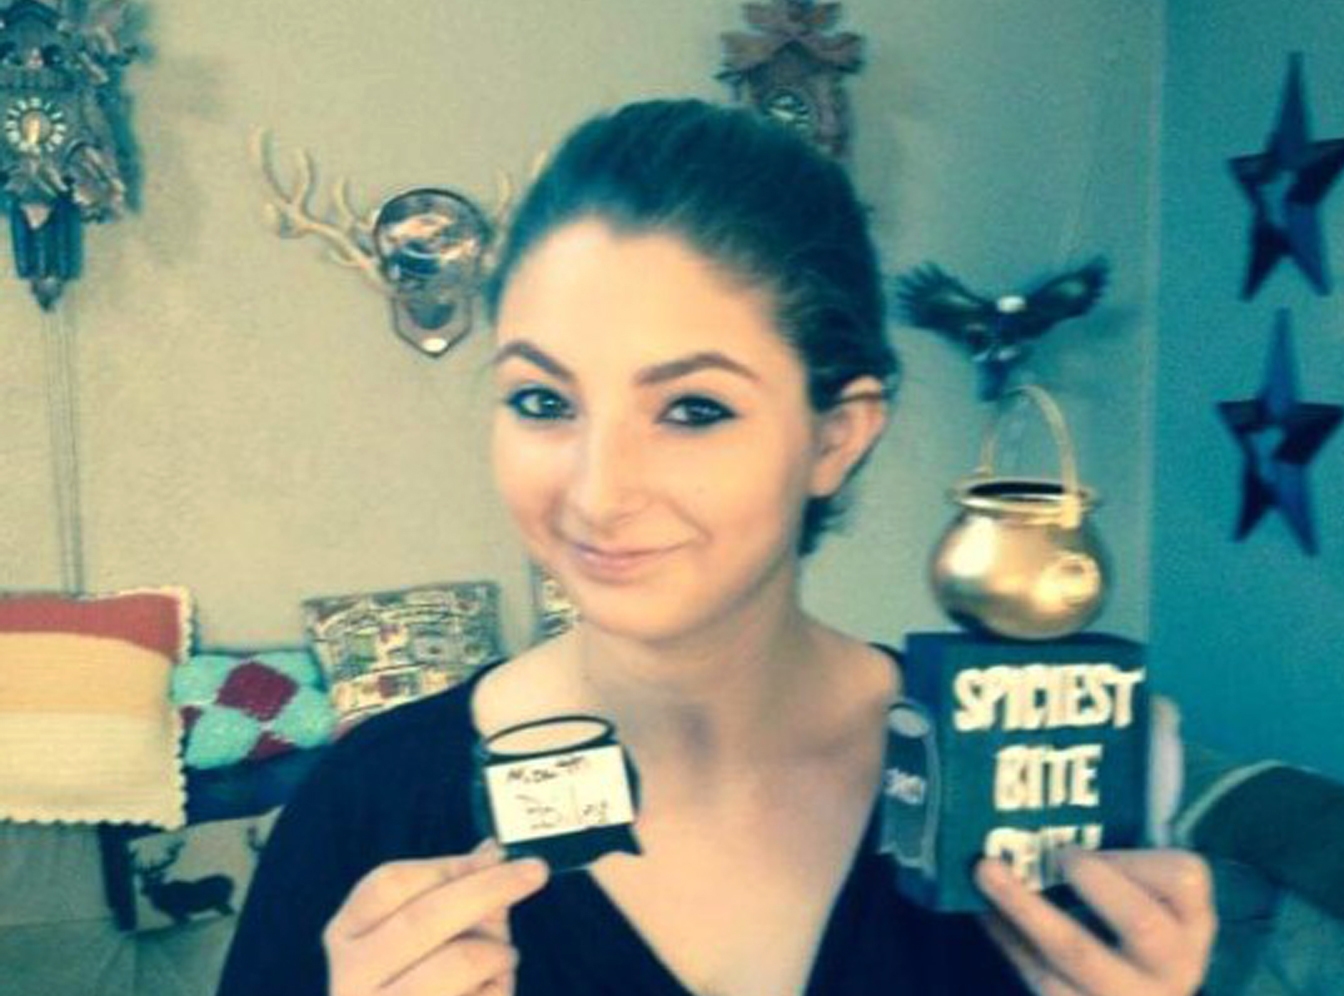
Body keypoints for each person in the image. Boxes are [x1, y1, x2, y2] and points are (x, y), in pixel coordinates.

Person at [217, 98, 1215, 996]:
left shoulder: (1014, 794)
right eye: (543, 401)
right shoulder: (369, 809)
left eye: (693, 409)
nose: (598, 493)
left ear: (835, 437)